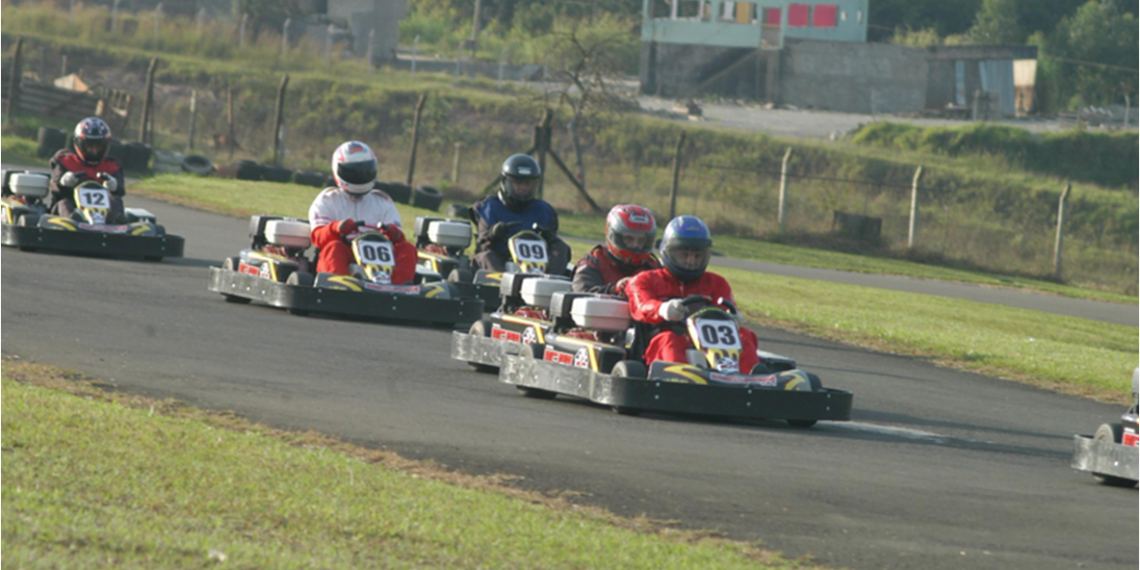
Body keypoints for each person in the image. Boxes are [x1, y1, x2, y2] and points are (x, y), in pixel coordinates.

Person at [625, 215, 761, 373]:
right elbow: (641, 305)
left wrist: (733, 317)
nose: (691, 261)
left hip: (710, 344)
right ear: (668, 252)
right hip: (665, 338)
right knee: (667, 340)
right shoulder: (644, 280)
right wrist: (662, 309)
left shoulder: (716, 283)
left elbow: (726, 311)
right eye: (684, 255)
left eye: (697, 256)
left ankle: (749, 380)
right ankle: (678, 381)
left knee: (744, 335)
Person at [308, 141, 417, 284]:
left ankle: (399, 288)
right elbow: (317, 238)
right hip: (346, 252)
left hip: (380, 258)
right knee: (334, 248)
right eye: (353, 171)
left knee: (408, 249)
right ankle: (338, 287)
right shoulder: (327, 200)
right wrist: (336, 228)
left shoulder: (383, 202)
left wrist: (393, 233)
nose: (359, 175)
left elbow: (399, 240)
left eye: (365, 170)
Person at [472, 153, 571, 272]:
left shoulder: (544, 211)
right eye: (518, 183)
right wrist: (493, 233)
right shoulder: (489, 208)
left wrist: (550, 238)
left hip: (537, 266)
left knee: (562, 248)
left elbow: (556, 249)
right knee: (487, 256)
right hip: (501, 261)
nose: (523, 188)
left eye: (527, 184)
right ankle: (503, 285)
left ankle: (551, 282)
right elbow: (483, 245)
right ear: (505, 182)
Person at [49, 117, 126, 222]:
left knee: (116, 201)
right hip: (73, 208)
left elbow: (120, 191)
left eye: (98, 147)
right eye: (89, 146)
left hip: (104, 214)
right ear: (78, 143)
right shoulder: (66, 161)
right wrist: (64, 180)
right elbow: (55, 185)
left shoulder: (111, 166)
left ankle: (116, 224)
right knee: (64, 203)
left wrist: (114, 186)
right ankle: (73, 221)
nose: (94, 151)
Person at [572, 204, 660, 296]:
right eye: (629, 239)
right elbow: (582, 295)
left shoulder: (653, 267)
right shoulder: (594, 263)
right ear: (614, 236)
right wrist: (615, 289)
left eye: (641, 240)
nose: (635, 245)